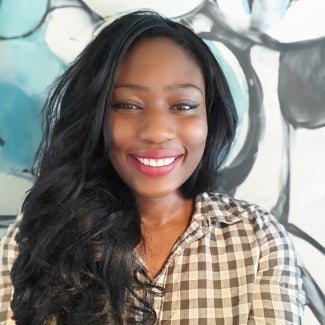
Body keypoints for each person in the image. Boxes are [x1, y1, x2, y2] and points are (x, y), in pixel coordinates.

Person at [0, 10, 304, 324]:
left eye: (183, 106)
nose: (157, 131)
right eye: (127, 105)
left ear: (210, 119)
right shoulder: (35, 237)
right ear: (95, 117)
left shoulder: (256, 240)